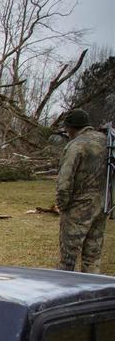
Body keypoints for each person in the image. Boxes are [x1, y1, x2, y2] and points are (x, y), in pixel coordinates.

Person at [55, 108, 108, 273]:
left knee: (68, 257)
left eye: (67, 128)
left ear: (72, 127)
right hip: (102, 205)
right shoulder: (106, 141)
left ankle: (63, 290)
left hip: (78, 207)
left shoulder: (76, 145)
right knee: (92, 256)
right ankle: (92, 289)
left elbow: (65, 179)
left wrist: (62, 205)